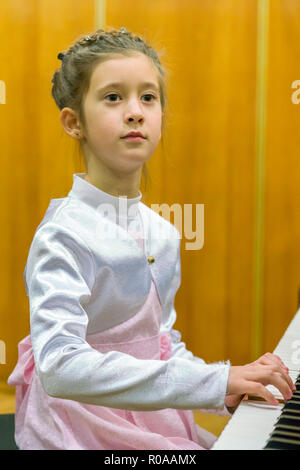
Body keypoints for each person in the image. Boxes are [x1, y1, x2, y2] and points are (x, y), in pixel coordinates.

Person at [8, 28, 295, 451]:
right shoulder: (62, 235)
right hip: (78, 422)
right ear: (74, 123)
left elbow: (160, 344)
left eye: (148, 97)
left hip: (150, 412)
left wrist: (223, 390)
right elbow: (60, 366)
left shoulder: (161, 231)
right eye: (112, 97)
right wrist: (213, 382)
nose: (135, 112)